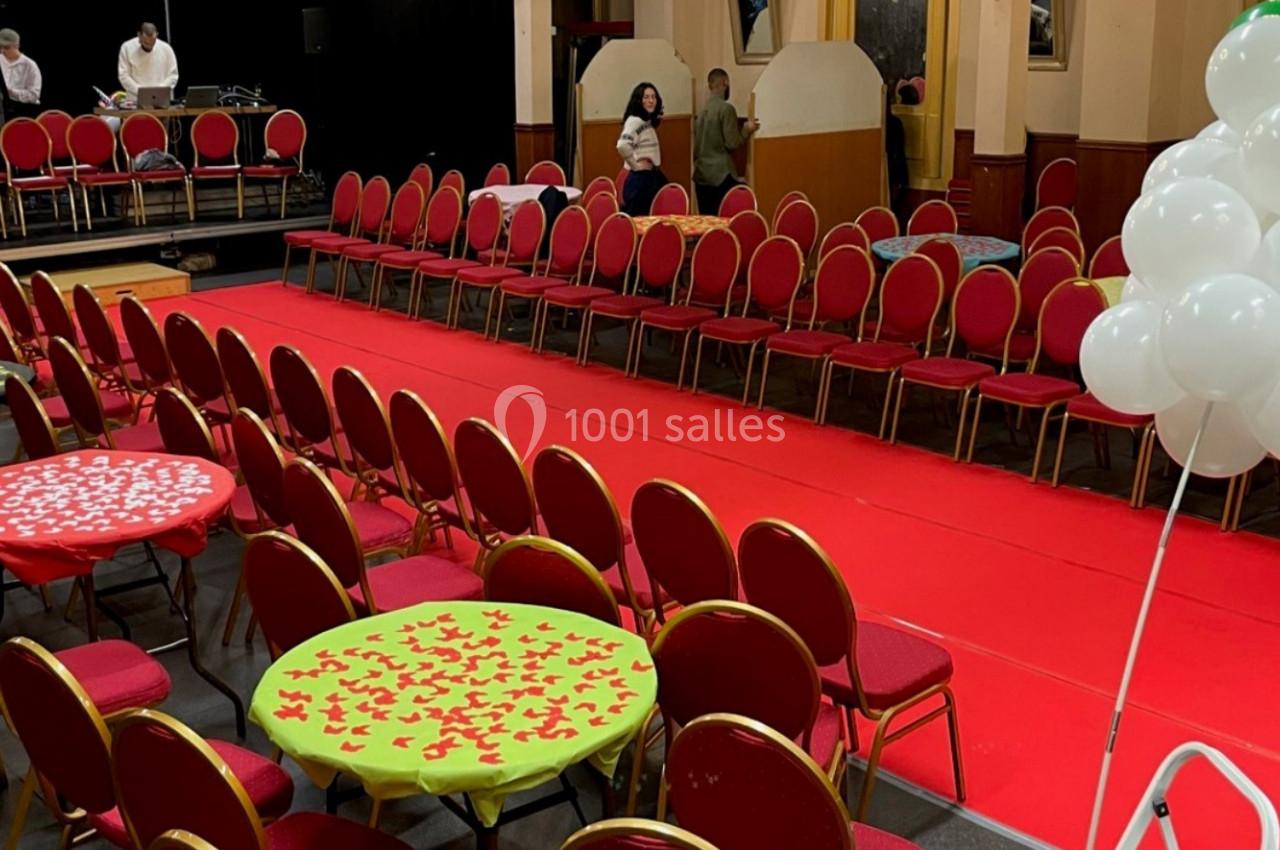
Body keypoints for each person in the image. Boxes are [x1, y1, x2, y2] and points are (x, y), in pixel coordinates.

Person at [693, 68, 758, 216]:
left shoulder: (702, 112)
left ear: (710, 86)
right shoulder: (726, 109)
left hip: (702, 175)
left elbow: (696, 149)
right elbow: (732, 143)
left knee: (707, 222)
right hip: (721, 174)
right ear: (725, 83)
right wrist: (746, 130)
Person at [617, 82, 667, 216]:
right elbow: (622, 145)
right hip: (639, 180)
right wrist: (635, 165)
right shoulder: (635, 121)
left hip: (650, 176)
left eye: (653, 97)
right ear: (638, 100)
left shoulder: (646, 122)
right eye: (646, 97)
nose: (651, 101)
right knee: (638, 221)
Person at [118, 22, 179, 97]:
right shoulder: (127, 48)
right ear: (139, 35)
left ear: (157, 35)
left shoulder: (167, 49)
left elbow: (173, 75)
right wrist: (140, 91)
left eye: (153, 42)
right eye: (146, 43)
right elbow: (124, 76)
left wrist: (160, 89)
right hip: (136, 99)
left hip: (161, 98)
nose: (150, 46)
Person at [0, 29, 41, 117]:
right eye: (0, 47)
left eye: (6, 47)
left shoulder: (30, 65)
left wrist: (9, 91)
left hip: (22, 110)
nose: (2, 51)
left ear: (17, 46)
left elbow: (33, 96)